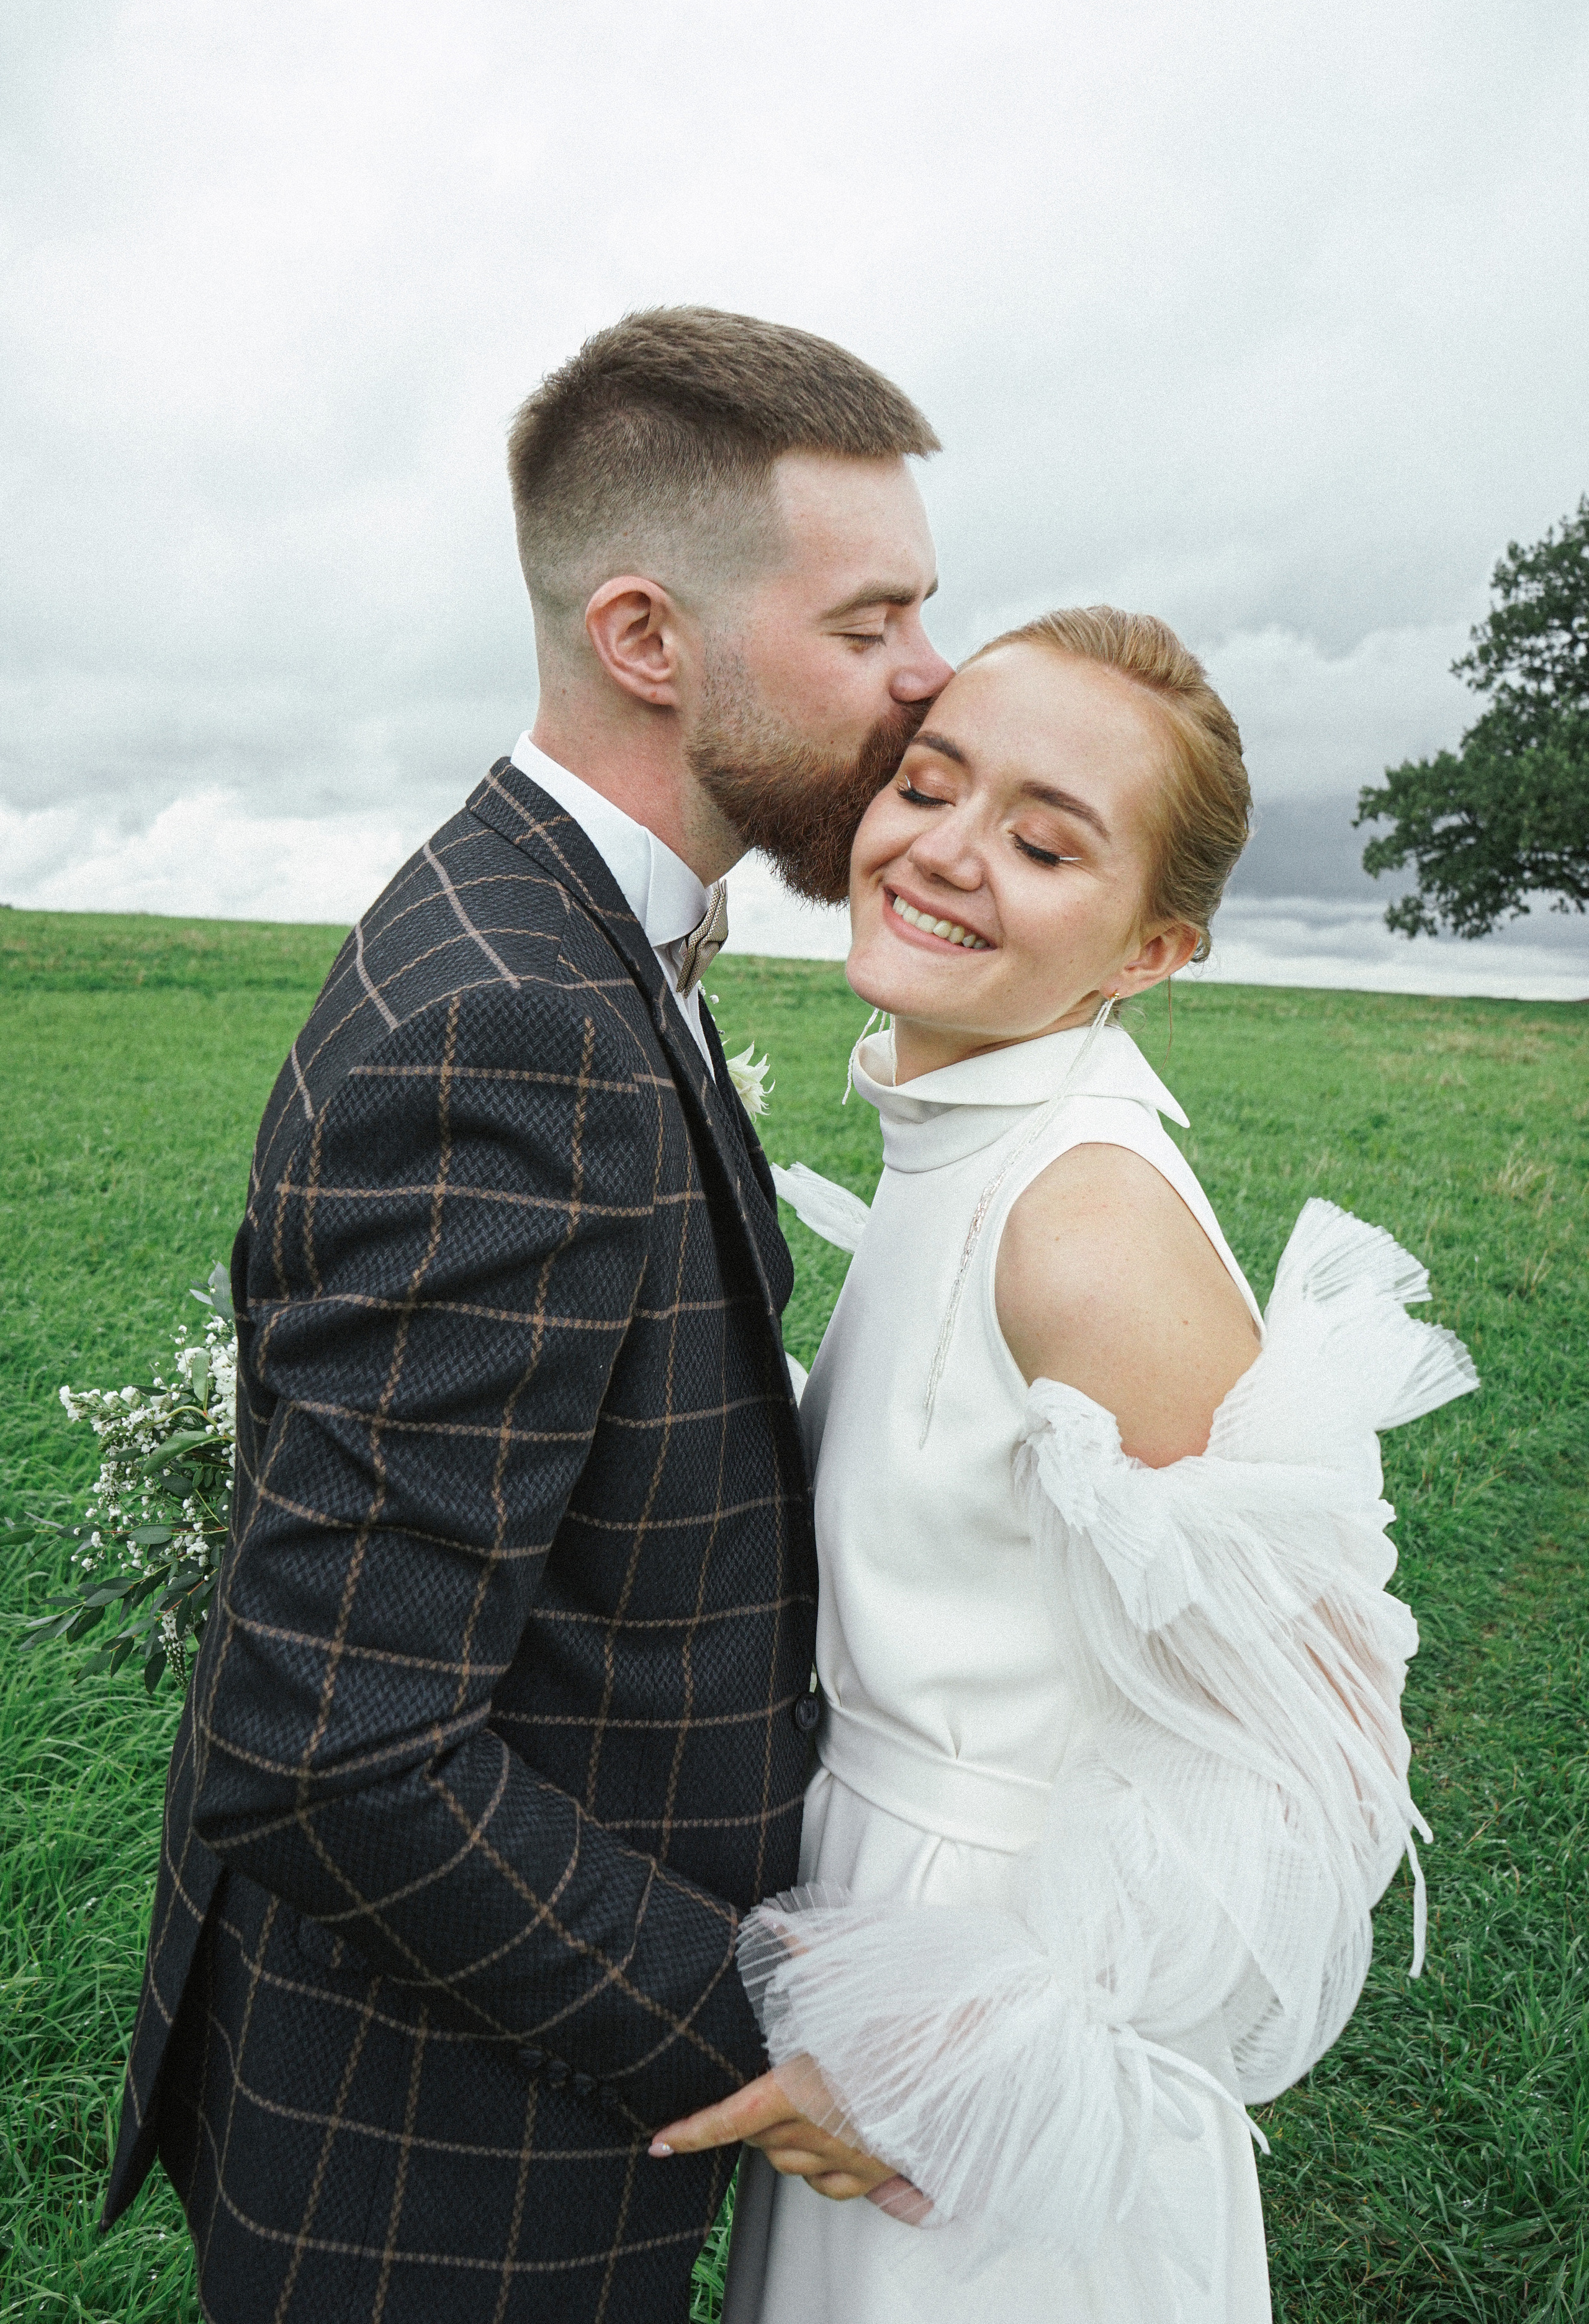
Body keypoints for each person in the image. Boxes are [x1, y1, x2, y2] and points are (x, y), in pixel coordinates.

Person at [100, 307, 952, 2324]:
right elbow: (334, 1746)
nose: (933, 681)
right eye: (871, 624)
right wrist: (751, 2045)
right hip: (449, 2168)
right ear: (648, 638)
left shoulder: (571, 934)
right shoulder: (517, 1018)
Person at [653, 606, 1478, 2321]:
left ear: (1152, 950)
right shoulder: (967, 1145)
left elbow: (1327, 1757)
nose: (947, 853)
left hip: (996, 2019)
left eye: (1042, 841)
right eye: (929, 785)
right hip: (872, 1928)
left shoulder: (1080, 1224)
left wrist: (959, 2045)